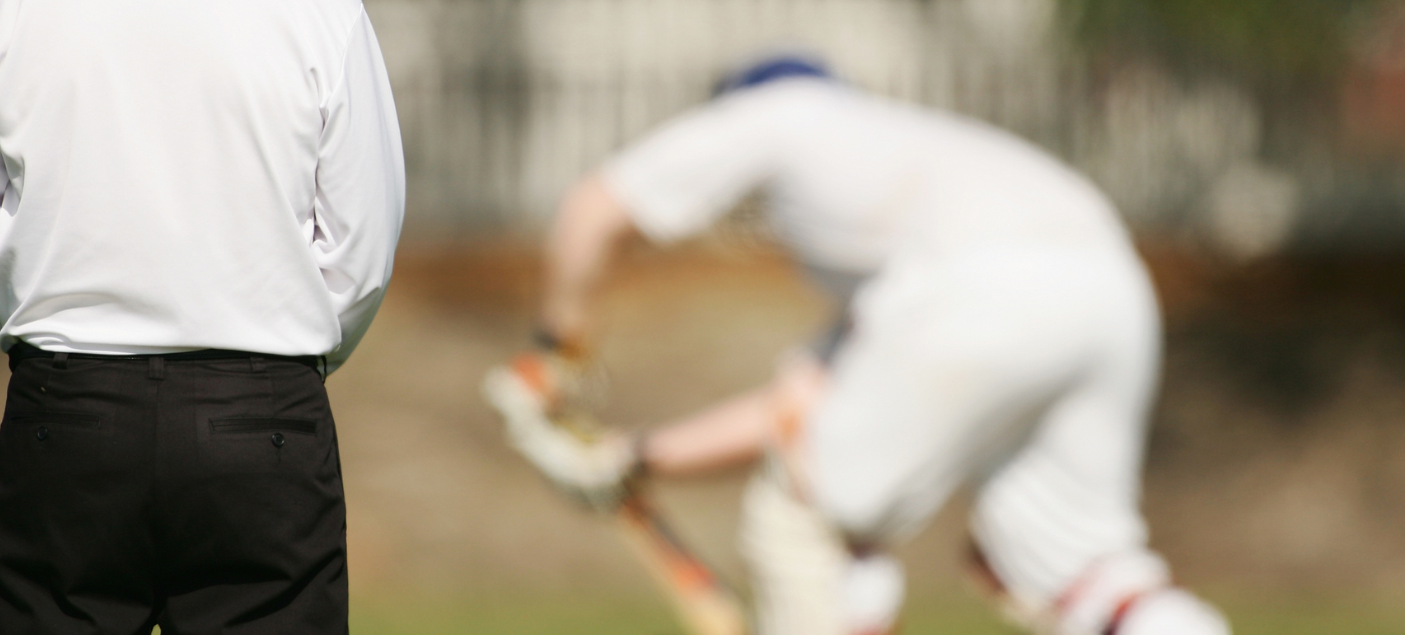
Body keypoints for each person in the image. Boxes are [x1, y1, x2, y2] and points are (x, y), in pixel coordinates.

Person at [503, 58, 1230, 635]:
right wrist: (631, 459)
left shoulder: (774, 111)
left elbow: (591, 211)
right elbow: (798, 410)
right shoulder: (911, 179)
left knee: (808, 519)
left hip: (983, 290)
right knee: (1086, 568)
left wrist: (553, 354)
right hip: (1111, 287)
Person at [0, 0, 404, 632]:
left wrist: (54, 338)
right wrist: (281, 354)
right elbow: (361, 248)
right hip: (262, 415)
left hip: (67, 413)